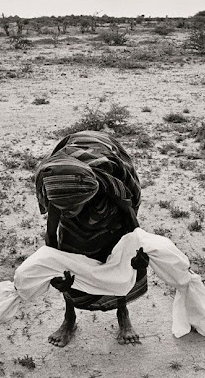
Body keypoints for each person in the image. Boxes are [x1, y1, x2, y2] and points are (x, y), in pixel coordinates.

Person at [35, 130, 149, 347]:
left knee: (116, 257)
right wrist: (56, 269)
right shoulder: (60, 193)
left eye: (72, 208)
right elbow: (52, 239)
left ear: (88, 198)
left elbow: (132, 230)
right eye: (62, 209)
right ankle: (69, 319)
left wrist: (137, 253)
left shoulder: (110, 192)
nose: (66, 213)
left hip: (111, 204)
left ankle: (123, 313)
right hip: (72, 175)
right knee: (69, 258)